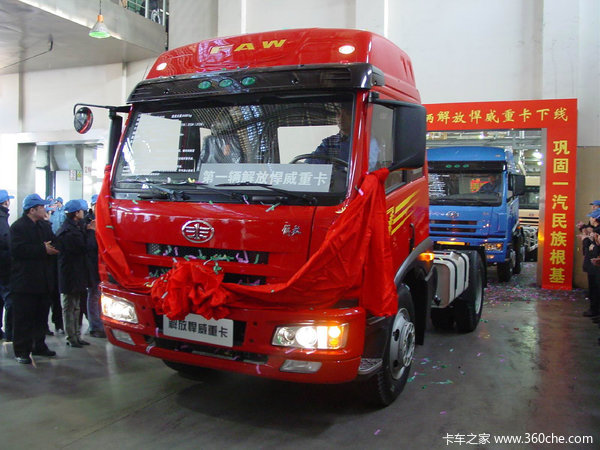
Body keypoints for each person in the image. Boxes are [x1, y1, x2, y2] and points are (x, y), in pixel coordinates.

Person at [9, 193, 58, 364]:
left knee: (41, 316)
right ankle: (22, 350)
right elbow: (17, 250)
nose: (45, 210)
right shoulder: (18, 227)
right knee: (24, 318)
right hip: (25, 281)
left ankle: (39, 346)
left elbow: (53, 242)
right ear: (32, 210)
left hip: (43, 280)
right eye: (42, 207)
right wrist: (42, 249)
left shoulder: (44, 226)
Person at [55, 200, 90, 348]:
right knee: (69, 306)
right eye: (82, 211)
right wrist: (90, 233)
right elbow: (81, 248)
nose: (84, 213)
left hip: (76, 273)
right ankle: (71, 337)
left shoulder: (75, 228)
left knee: (76, 306)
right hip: (70, 274)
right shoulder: (68, 232)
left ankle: (76, 335)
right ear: (76, 213)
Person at [84, 195, 105, 338]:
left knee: (99, 295)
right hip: (92, 265)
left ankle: (100, 323)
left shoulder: (104, 220)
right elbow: (89, 246)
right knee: (93, 294)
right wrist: (92, 231)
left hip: (102, 265)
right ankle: (95, 326)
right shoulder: (87, 223)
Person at [0, 189, 14, 341]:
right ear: (6, 202)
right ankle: (10, 332)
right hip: (4, 267)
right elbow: (6, 243)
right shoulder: (2, 220)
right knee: (10, 299)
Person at [581, 208, 600, 319]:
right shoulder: (596, 230)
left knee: (595, 289)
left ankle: (595, 310)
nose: (590, 219)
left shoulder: (597, 231)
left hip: (595, 266)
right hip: (594, 264)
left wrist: (586, 239)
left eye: (592, 217)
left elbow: (594, 247)